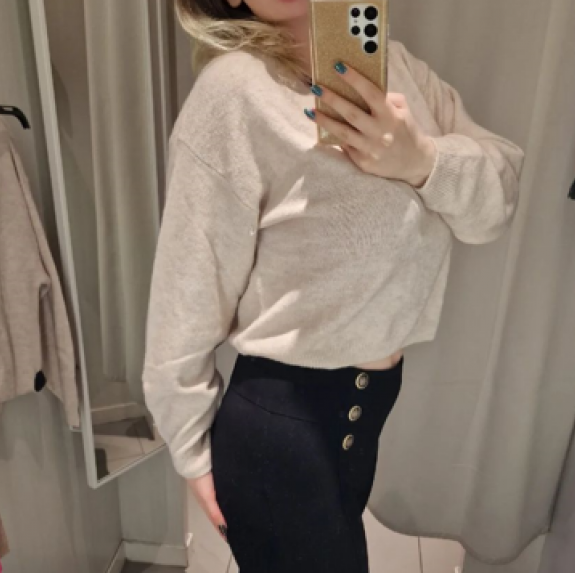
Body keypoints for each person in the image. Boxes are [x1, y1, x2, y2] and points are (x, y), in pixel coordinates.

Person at [143, 1, 524, 571]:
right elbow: (185, 292)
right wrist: (192, 451)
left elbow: (497, 200)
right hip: (280, 428)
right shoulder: (234, 91)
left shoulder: (396, 68)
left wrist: (422, 160)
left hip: (364, 413)